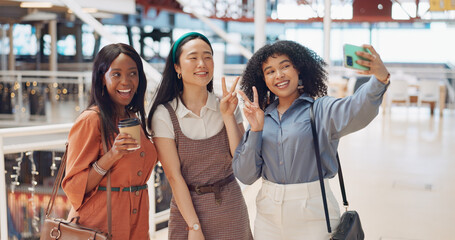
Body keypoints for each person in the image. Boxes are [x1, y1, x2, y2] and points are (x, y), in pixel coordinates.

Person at [233, 40, 390, 239]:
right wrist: (255, 130)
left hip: (314, 212)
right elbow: (246, 176)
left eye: (285, 66)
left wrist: (380, 78)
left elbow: (356, 108)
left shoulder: (321, 109)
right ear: (263, 79)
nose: (279, 75)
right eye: (270, 71)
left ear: (299, 69)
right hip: (268, 216)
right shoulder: (261, 118)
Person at [148, 32, 253, 240]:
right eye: (193, 57)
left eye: (207, 56)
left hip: (231, 209)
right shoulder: (164, 114)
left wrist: (228, 116)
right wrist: (194, 227)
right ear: (177, 67)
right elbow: (174, 177)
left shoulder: (227, 104)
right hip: (188, 213)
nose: (202, 64)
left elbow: (241, 159)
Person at [62, 43, 157, 240]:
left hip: (136, 224)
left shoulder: (133, 118)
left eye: (133, 73)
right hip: (99, 225)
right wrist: (112, 155)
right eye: (116, 74)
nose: (126, 81)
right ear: (102, 79)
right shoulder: (91, 120)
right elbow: (73, 187)